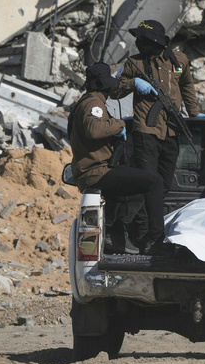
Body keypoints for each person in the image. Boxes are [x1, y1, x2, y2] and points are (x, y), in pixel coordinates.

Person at [112, 19, 205, 247]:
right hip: (146, 130)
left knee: (162, 184)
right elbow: (114, 89)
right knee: (148, 183)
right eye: (139, 40)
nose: (140, 44)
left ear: (157, 42)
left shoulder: (179, 60)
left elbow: (187, 85)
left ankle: (140, 222)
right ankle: (143, 235)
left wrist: (194, 112)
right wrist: (133, 83)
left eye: (144, 41)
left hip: (172, 130)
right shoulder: (134, 64)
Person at [68, 62, 166, 254]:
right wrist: (119, 125)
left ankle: (116, 235)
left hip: (97, 170)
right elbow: (94, 130)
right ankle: (157, 238)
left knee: (137, 188)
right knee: (154, 182)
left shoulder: (91, 100)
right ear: (103, 85)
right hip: (96, 171)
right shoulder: (93, 103)